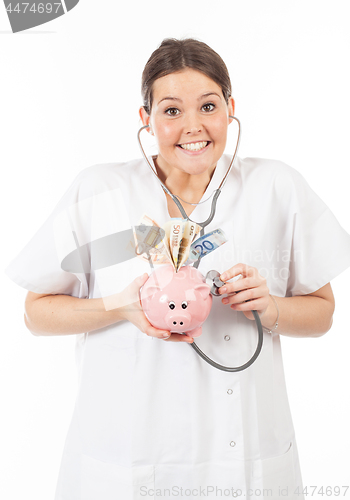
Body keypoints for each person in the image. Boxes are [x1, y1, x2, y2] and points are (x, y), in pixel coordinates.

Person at [5, 38, 350, 500]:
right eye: (171, 111)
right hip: (127, 460)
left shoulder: (275, 186)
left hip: (242, 458)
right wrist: (119, 307)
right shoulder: (100, 190)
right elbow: (35, 314)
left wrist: (270, 308)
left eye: (208, 106)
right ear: (145, 118)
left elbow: (323, 314)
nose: (193, 126)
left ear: (230, 107)